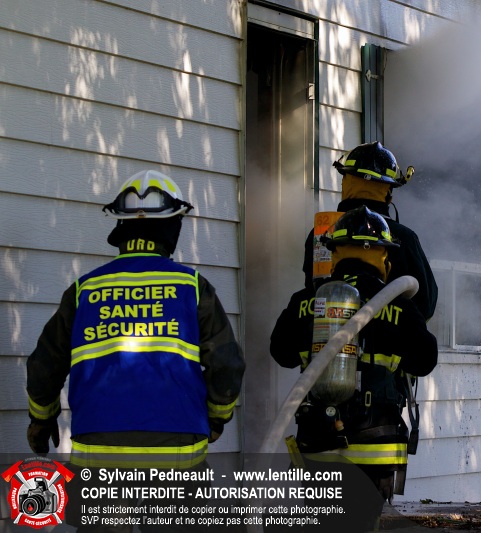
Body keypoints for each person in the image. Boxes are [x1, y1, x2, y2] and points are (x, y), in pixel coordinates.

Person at [25, 170, 245, 526]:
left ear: (121, 227)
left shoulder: (83, 291)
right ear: (173, 226)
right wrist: (217, 418)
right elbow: (227, 365)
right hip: (176, 454)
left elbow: (44, 366)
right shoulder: (192, 287)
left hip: (98, 455)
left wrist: (41, 419)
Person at [272, 206, 438, 506]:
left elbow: (281, 353)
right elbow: (425, 360)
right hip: (376, 447)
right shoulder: (399, 305)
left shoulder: (305, 300)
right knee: (364, 522)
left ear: (335, 253)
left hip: (317, 441)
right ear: (382, 255)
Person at [303, 141, 438, 320]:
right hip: (388, 335)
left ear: (345, 181)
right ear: (389, 191)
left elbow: (311, 289)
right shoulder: (404, 238)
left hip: (327, 330)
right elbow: (426, 304)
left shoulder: (322, 234)